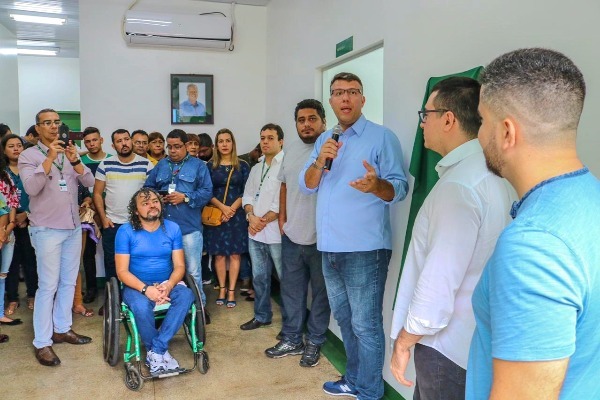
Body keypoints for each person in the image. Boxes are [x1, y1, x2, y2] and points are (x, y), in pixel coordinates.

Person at [466, 48, 600, 400]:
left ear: (506, 132)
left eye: (481, 121)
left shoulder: (534, 244)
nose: (478, 135)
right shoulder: (591, 198)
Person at [389, 77, 515, 399]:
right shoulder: (492, 174)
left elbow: (440, 278)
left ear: (448, 119)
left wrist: (405, 340)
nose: (422, 124)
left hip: (445, 348)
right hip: (476, 340)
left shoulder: (460, 186)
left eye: (425, 114)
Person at [300, 72, 409, 399]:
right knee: (346, 321)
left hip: (365, 249)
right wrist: (320, 161)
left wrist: (377, 186)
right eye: (338, 92)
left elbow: (400, 188)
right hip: (329, 248)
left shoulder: (382, 137)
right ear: (331, 101)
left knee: (365, 325)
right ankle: (353, 379)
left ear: (362, 99)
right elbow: (308, 185)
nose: (345, 98)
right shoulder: (325, 139)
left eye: (352, 92)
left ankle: (371, 392)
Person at [19, 108, 94, 366]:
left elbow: (89, 181)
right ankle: (42, 342)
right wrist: (50, 157)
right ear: (37, 128)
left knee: (68, 282)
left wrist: (75, 160)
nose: (54, 126)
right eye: (47, 122)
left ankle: (61, 328)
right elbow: (32, 188)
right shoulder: (28, 155)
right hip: (47, 229)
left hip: (72, 227)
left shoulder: (69, 152)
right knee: (48, 286)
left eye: (56, 122)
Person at [264, 99, 330, 368]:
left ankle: (314, 340)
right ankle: (292, 339)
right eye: (301, 120)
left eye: (312, 119)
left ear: (323, 122)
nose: (306, 124)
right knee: (291, 290)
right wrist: (283, 219)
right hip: (292, 234)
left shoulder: (331, 147)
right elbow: (283, 186)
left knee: (321, 294)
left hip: (323, 238)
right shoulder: (289, 150)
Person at [115, 188, 194, 373]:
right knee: (141, 306)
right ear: (136, 211)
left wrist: (169, 285)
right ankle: (159, 352)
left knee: (187, 295)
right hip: (136, 286)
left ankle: (156, 350)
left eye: (155, 201)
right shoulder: (125, 231)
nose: (152, 205)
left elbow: (180, 266)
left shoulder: (172, 228)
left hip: (166, 282)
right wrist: (146, 289)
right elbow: (122, 271)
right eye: (145, 203)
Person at [144, 129, 213, 305]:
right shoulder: (161, 165)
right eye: (170, 147)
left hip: (189, 228)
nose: (173, 150)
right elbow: (147, 189)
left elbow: (207, 192)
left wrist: (185, 197)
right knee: (167, 272)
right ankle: (173, 306)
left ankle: (199, 307)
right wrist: (157, 198)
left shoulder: (198, 166)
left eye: (177, 146)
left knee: (193, 271)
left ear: (186, 145)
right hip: (164, 229)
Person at [93, 129, 153, 287]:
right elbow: (97, 193)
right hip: (112, 224)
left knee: (137, 262)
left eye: (126, 139)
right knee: (112, 263)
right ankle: (112, 296)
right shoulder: (105, 164)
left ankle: (134, 295)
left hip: (139, 224)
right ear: (113, 146)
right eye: (119, 141)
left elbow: (151, 194)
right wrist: (103, 218)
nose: (124, 143)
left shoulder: (146, 164)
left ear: (131, 141)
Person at [240, 123, 285, 331]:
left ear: (281, 141)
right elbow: (248, 195)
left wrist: (261, 221)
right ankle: (262, 316)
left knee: (285, 280)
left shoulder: (285, 166)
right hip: (255, 233)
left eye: (270, 138)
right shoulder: (256, 167)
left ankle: (290, 325)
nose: (265, 142)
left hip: (276, 234)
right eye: (262, 138)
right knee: (259, 278)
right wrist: (251, 216)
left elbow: (281, 202)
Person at [204, 129, 250, 308]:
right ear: (216, 145)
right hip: (216, 215)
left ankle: (231, 291)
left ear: (233, 143)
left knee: (235, 254)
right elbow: (206, 190)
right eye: (221, 141)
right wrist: (223, 208)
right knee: (219, 255)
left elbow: (247, 190)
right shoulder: (210, 166)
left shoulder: (243, 165)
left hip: (236, 215)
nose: (224, 144)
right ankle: (222, 289)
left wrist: (232, 209)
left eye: (228, 140)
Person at [2, 134, 37, 314]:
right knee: (11, 262)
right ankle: (13, 298)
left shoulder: (30, 169)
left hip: (31, 220)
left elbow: (39, 194)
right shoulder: (3, 172)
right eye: (11, 146)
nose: (16, 148)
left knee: (31, 260)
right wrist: (12, 219)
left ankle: (32, 294)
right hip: (7, 223)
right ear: (3, 150)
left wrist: (27, 214)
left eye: (19, 145)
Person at [80, 126, 111, 303]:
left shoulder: (112, 160)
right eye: (88, 142)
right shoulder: (80, 161)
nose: (92, 144)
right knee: (88, 252)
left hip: (109, 210)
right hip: (88, 211)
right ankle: (91, 288)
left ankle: (111, 288)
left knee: (110, 252)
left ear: (101, 140)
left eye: (94, 140)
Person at [0, 137, 21, 321]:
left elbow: (12, 203)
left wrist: (9, 228)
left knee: (3, 274)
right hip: (4, 231)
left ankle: (0, 313)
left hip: (8, 232)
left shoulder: (6, 178)